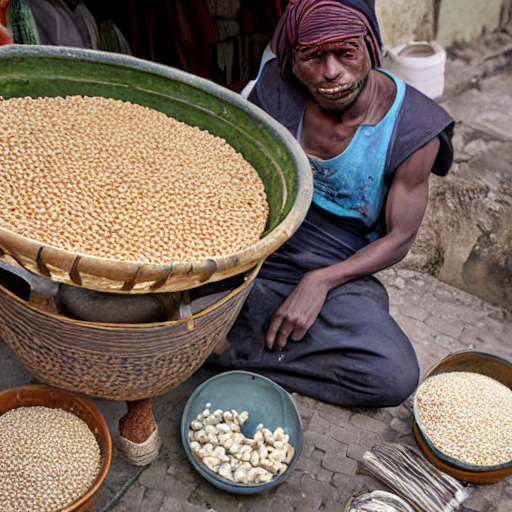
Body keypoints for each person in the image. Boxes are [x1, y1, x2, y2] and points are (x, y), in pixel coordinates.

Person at [208, 0, 455, 409]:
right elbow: (234, 175)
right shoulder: (276, 89)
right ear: (292, 58)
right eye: (314, 56)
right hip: (263, 239)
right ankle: (236, 341)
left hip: (340, 266)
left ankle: (220, 351)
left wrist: (320, 282)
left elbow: (400, 238)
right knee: (154, 299)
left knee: (392, 373)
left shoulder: (413, 128)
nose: (332, 72)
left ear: (371, 49)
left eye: (346, 53)